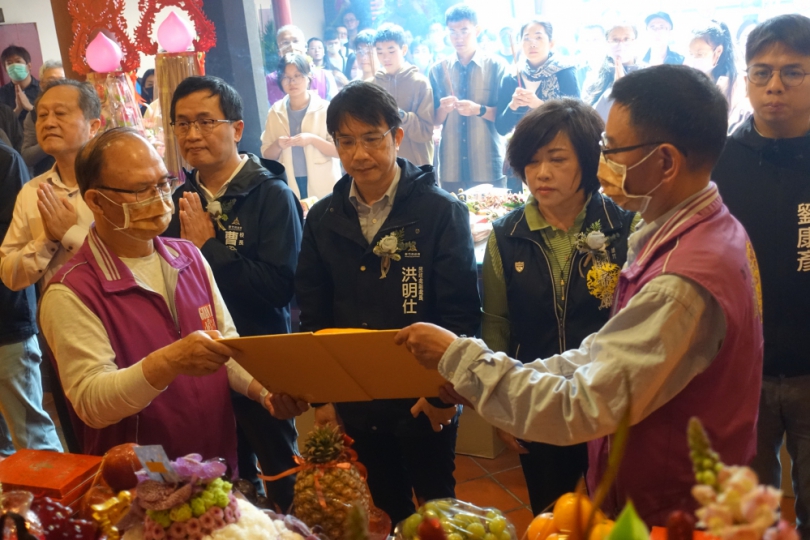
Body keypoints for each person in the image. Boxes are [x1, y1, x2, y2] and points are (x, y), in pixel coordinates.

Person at [396, 65, 763, 526]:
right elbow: (602, 352)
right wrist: (486, 372)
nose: (601, 160)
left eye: (611, 148)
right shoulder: (695, 230)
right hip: (651, 477)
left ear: (665, 162)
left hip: (671, 505)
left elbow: (583, 404)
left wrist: (461, 359)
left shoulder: (680, 279)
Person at [267, 81, 481, 527]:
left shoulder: (440, 212)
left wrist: (444, 395)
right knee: (385, 498)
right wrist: (326, 397)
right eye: (346, 142)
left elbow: (460, 312)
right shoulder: (324, 217)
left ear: (397, 137)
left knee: (440, 504)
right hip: (357, 395)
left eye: (371, 138)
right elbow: (315, 311)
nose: (359, 154)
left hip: (425, 394)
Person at [40, 127, 273, 469]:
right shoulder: (73, 290)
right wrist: (168, 363)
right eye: (139, 190)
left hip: (215, 462)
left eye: (164, 184)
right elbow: (92, 402)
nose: (160, 199)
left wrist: (264, 392)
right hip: (145, 474)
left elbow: (226, 347)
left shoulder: (189, 257)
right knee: (161, 508)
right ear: (96, 202)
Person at [485, 98, 636, 512]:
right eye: (531, 162)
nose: (542, 173)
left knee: (616, 515)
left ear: (588, 162)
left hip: (612, 404)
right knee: (551, 517)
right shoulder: (507, 234)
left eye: (557, 159)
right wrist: (500, 403)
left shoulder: (624, 226)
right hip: (539, 402)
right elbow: (496, 323)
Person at [160, 75, 303, 507]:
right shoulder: (180, 199)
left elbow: (280, 289)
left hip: (262, 356)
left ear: (237, 129)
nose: (192, 134)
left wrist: (209, 248)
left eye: (205, 121)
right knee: (223, 474)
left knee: (280, 470)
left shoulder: (271, 195)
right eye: (182, 124)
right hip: (202, 359)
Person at [712, 14, 810, 536]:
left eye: (793, 72)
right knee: (748, 516)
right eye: (761, 71)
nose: (774, 86)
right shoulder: (719, 162)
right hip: (740, 373)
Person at [0, 79, 100, 292]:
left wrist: (70, 233)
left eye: (61, 113)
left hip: (114, 319)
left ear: (93, 127)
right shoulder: (32, 191)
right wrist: (48, 240)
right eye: (42, 115)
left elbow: (133, 263)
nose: (49, 123)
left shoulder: (115, 185)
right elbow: (9, 274)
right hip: (56, 319)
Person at [0, 140, 63, 457]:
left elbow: (12, 247)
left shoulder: (6, 161)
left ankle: (55, 506)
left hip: (7, 320)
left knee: (32, 437)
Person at [429, 3, 508, 192]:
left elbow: (506, 120)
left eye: (464, 30)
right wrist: (443, 110)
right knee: (453, 220)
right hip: (451, 167)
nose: (458, 38)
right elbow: (434, 120)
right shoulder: (438, 70)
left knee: (493, 219)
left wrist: (478, 110)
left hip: (487, 165)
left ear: (477, 30)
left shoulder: (497, 66)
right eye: (453, 32)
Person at [261, 54, 341, 200]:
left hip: (323, 180)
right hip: (289, 181)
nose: (292, 82)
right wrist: (278, 144)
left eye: (298, 75)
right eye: (286, 77)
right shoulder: (275, 111)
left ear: (308, 77)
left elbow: (340, 150)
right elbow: (267, 155)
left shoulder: (325, 108)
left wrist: (312, 139)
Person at [495, 20, 580, 137]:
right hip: (524, 147)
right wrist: (513, 106)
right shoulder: (512, 75)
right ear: (520, 44)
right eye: (527, 39)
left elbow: (578, 116)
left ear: (551, 43)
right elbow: (501, 128)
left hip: (559, 144)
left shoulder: (564, 71)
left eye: (539, 38)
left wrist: (540, 105)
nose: (532, 44)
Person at [373, 23, 435, 167]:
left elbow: (426, 132)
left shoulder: (420, 83)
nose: (385, 58)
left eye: (391, 51)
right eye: (380, 52)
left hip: (416, 165)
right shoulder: (372, 85)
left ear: (404, 49)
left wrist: (399, 114)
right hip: (383, 164)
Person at [584, 23, 643, 121]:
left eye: (626, 39)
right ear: (607, 43)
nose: (621, 45)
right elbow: (588, 116)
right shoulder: (594, 76)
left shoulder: (647, 75)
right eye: (615, 40)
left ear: (635, 42)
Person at [266, 25, 335, 107]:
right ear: (278, 51)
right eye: (285, 43)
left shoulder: (324, 76)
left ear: (305, 47)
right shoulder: (270, 81)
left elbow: (335, 110)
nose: (291, 46)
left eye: (295, 41)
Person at [21, 60, 64, 177]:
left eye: (62, 80)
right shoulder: (34, 116)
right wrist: (49, 141)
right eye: (51, 81)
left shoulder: (79, 108)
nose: (57, 85)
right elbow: (27, 157)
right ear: (42, 85)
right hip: (47, 178)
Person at [684, 21, 739, 106]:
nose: (693, 60)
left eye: (700, 54)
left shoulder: (733, 84)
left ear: (718, 51)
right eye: (691, 54)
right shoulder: (688, 78)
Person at [0, 46, 39, 123]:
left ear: (29, 66)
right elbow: (2, 125)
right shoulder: (1, 93)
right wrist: (17, 110)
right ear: (5, 70)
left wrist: (30, 108)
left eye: (18, 61)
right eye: (9, 63)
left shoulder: (43, 88)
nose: (14, 66)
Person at [575, 24, 608, 95]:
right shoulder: (577, 71)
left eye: (595, 40)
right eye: (586, 40)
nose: (591, 44)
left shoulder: (614, 68)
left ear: (605, 41)